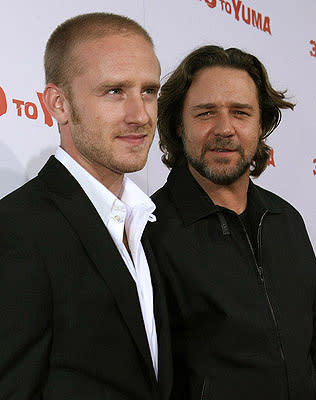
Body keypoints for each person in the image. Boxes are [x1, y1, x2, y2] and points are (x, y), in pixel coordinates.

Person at [0, 12, 172, 400]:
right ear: (58, 104)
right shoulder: (17, 230)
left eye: (148, 91)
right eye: (114, 91)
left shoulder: (145, 224)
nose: (140, 115)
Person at [146, 45, 316, 399]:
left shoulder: (286, 220)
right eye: (206, 113)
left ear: (261, 125)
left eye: (240, 113)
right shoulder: (149, 231)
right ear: (179, 125)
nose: (224, 129)